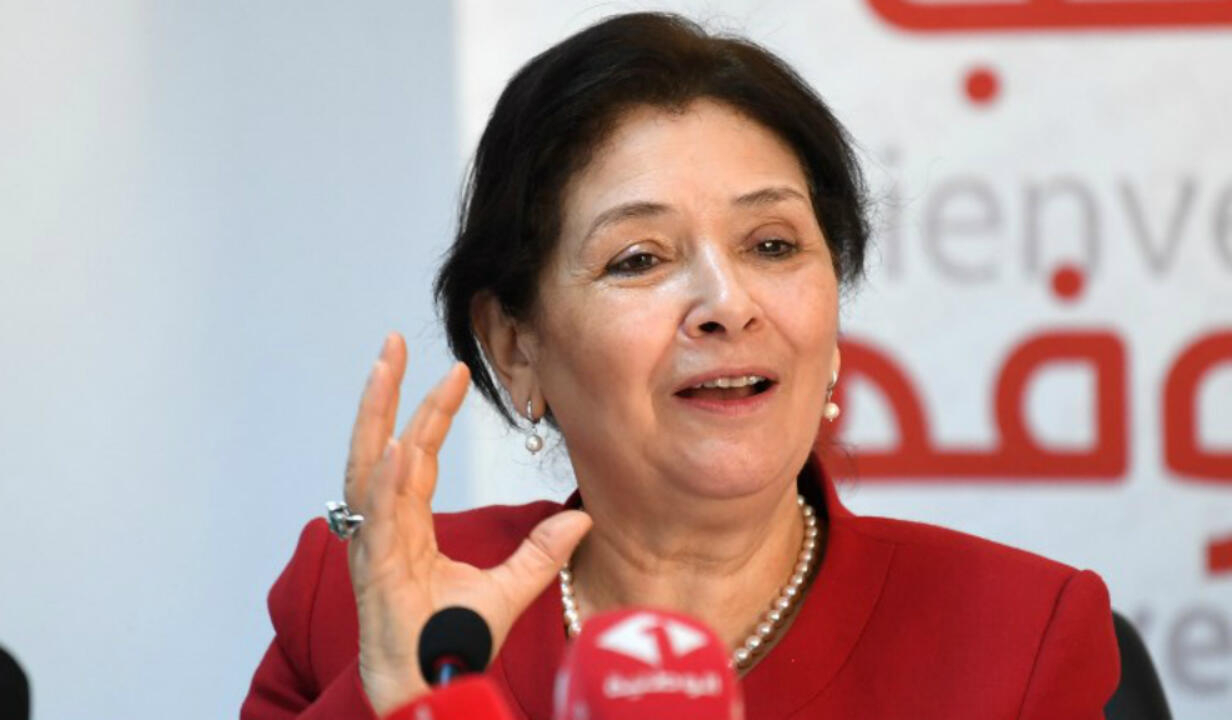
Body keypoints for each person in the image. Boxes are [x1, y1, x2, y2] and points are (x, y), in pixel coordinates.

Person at [241, 12, 1119, 720]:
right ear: (515, 346)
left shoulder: (1017, 639)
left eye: (772, 245)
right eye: (640, 259)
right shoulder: (369, 607)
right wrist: (401, 698)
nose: (728, 303)